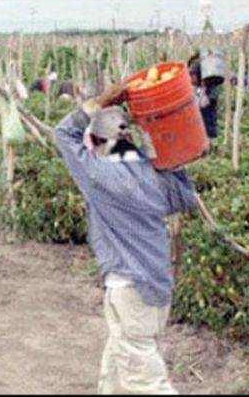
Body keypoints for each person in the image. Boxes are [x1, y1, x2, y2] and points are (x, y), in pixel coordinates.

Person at [53, 83, 197, 394]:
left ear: (97, 141)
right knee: (116, 371)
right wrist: (165, 146)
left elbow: (63, 133)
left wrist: (100, 102)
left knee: (145, 380)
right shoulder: (151, 175)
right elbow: (186, 195)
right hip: (156, 286)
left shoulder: (99, 177)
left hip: (130, 287)